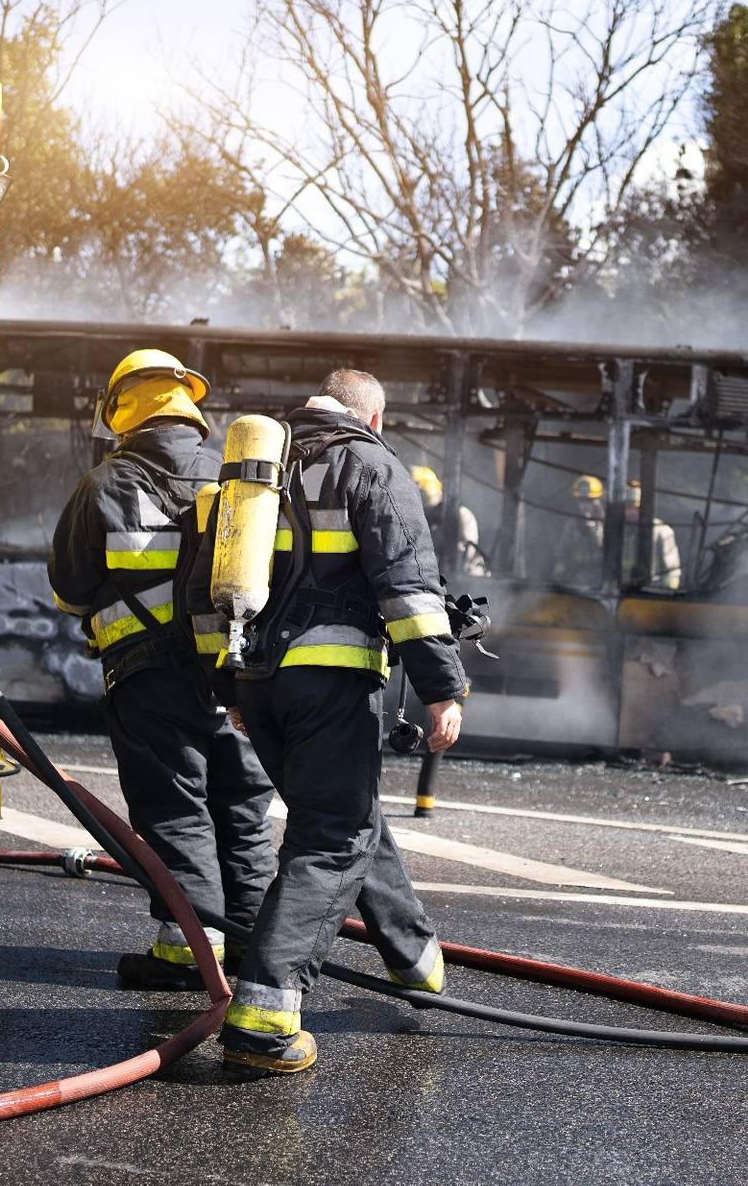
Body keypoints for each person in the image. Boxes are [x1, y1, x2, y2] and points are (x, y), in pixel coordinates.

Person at [208, 369, 469, 1075]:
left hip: (260, 683)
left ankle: (415, 959)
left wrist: (229, 681)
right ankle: (265, 1011)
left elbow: (207, 580)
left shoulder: (255, 468)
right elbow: (410, 591)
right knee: (333, 836)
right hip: (333, 683)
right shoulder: (373, 465)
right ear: (372, 415)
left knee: (343, 813)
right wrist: (444, 690)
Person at [48, 349, 275, 989]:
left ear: (121, 410)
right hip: (235, 675)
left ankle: (188, 954)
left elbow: (70, 590)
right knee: (243, 809)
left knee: (175, 810)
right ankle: (257, 950)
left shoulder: (105, 484)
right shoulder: (239, 480)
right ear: (188, 403)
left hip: (149, 679)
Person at [410, 464, 489, 576]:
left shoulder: (461, 515)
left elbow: (464, 553)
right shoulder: (423, 518)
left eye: (422, 484)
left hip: (466, 577)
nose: (420, 488)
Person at [624, 480, 682, 590]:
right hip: (623, 591)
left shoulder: (662, 532)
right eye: (628, 507)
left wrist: (667, 594)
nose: (631, 512)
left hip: (652, 593)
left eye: (636, 508)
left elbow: (672, 572)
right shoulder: (617, 531)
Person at [551, 474, 605, 584]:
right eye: (582, 501)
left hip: (599, 579)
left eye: (590, 501)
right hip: (575, 577)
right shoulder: (571, 525)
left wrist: (594, 531)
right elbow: (562, 552)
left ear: (598, 502)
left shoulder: (608, 525)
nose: (585, 506)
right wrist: (559, 576)